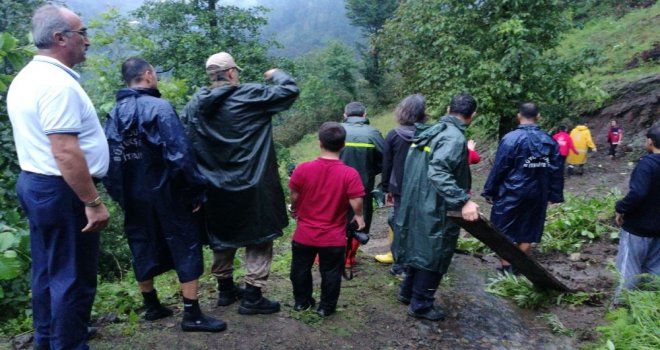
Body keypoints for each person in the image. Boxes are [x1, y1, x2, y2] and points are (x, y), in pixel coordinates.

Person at [6, 5, 110, 349]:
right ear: (59, 38)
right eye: (82, 34)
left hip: (36, 183)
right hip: (62, 190)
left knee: (49, 272)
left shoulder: (28, 78)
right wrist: (92, 202)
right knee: (73, 278)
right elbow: (65, 151)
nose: (88, 41)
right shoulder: (56, 85)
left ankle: (48, 340)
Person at [103, 58, 225, 332]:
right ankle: (192, 314)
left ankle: (151, 305)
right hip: (169, 193)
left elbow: (109, 162)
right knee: (185, 244)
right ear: (148, 75)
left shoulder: (113, 115)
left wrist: (121, 196)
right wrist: (195, 191)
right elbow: (179, 154)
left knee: (141, 243)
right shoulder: (160, 108)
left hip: (134, 196)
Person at [183, 52, 299, 315]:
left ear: (211, 76)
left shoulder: (195, 104)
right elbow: (289, 90)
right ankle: (253, 297)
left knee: (222, 236)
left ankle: (225, 291)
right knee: (258, 238)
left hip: (214, 187)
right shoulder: (251, 95)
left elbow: (185, 142)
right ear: (232, 73)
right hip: (254, 184)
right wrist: (275, 74)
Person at [395, 94, 481, 321]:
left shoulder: (432, 131)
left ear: (447, 108)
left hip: (416, 201)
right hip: (434, 205)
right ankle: (421, 303)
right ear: (472, 116)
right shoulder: (453, 138)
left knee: (419, 247)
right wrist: (463, 200)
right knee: (435, 251)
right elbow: (439, 171)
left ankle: (407, 292)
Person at [288, 122, 366, 317]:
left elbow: (294, 195)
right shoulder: (349, 173)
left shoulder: (303, 169)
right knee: (331, 272)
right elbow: (356, 202)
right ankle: (326, 307)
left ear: (319, 143)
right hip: (333, 237)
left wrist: (295, 209)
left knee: (300, 269)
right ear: (343, 145)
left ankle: (301, 302)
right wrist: (359, 216)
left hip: (304, 234)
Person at [482, 103, 564, 274]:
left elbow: (500, 167)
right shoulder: (549, 140)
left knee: (501, 230)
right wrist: (554, 194)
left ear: (519, 116)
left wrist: (490, 190)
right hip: (538, 193)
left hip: (511, 191)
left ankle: (507, 268)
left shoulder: (511, 139)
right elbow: (556, 170)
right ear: (538, 116)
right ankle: (518, 266)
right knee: (529, 229)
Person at [375, 94, 427, 278]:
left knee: (400, 224)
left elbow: (387, 165)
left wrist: (387, 188)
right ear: (422, 113)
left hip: (400, 189)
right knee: (420, 224)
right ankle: (417, 261)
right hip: (424, 188)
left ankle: (400, 265)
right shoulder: (428, 134)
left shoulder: (394, 135)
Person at [614, 125, 660, 296]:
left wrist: (620, 207)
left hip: (639, 227)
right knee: (654, 270)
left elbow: (638, 192)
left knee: (628, 269)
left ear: (650, 141)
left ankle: (620, 307)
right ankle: (649, 308)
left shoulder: (647, 164)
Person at [340, 102, 385, 268]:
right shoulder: (373, 133)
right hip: (362, 185)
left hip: (335, 184)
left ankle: (327, 255)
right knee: (359, 219)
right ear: (365, 115)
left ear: (345, 115)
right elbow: (385, 159)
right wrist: (371, 171)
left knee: (334, 217)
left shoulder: (337, 131)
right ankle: (348, 259)